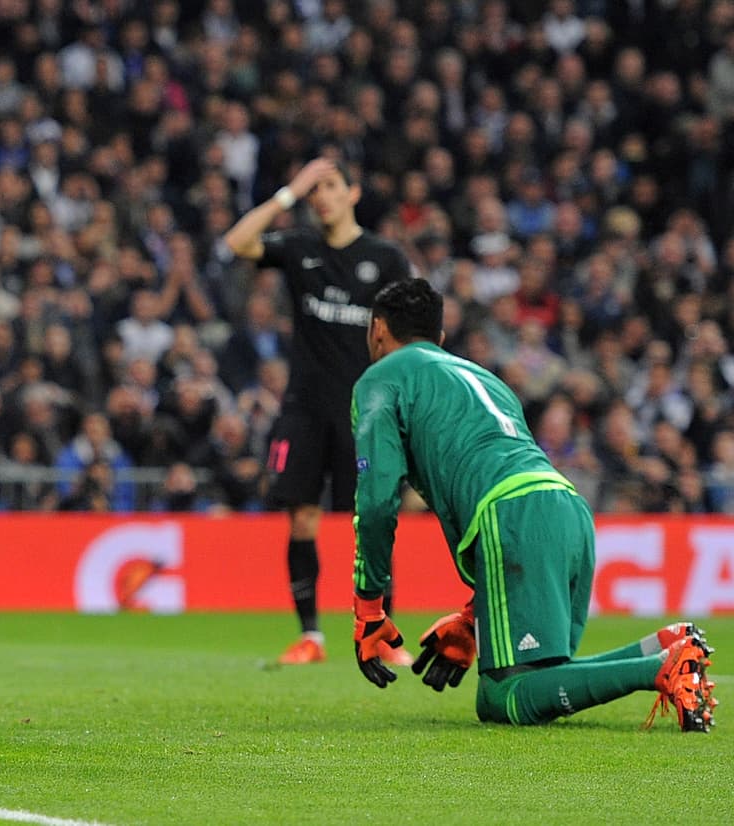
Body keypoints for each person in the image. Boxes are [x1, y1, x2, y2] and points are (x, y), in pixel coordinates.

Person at [349, 278, 716, 732]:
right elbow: (499, 464)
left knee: (504, 696)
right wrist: (473, 618)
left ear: (378, 329)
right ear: (440, 339)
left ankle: (660, 667)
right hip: (566, 507)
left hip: (512, 514)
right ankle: (664, 646)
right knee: (541, 676)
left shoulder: (380, 379)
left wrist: (370, 608)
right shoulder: (486, 379)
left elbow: (379, 498)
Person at [223, 157, 413, 665]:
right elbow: (237, 243)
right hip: (304, 407)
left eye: (329, 187)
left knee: (371, 521)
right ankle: (312, 636)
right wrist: (289, 193)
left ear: (352, 193)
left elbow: (407, 334)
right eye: (315, 191)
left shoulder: (385, 257)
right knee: (301, 518)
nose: (321, 197)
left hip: (364, 411)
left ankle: (381, 634)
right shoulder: (300, 248)